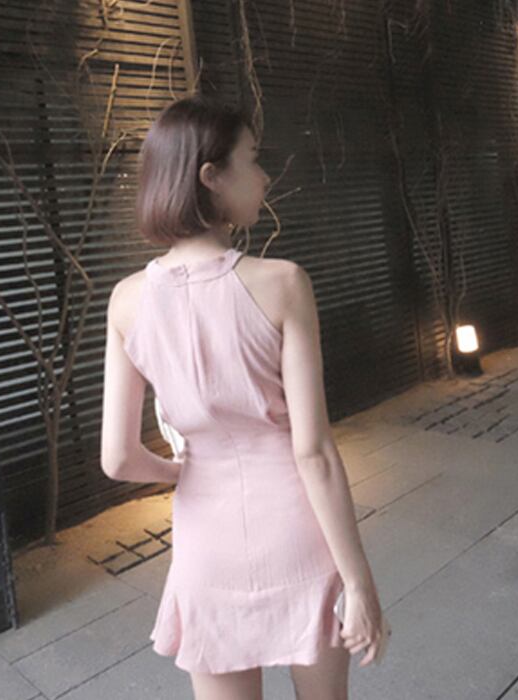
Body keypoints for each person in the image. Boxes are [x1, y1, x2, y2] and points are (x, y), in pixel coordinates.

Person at [100, 94, 384, 700]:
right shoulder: (283, 283)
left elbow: (118, 459)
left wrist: (180, 470)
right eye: (252, 159)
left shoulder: (126, 301)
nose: (264, 176)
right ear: (211, 176)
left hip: (206, 542)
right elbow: (314, 453)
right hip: (297, 532)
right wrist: (359, 582)